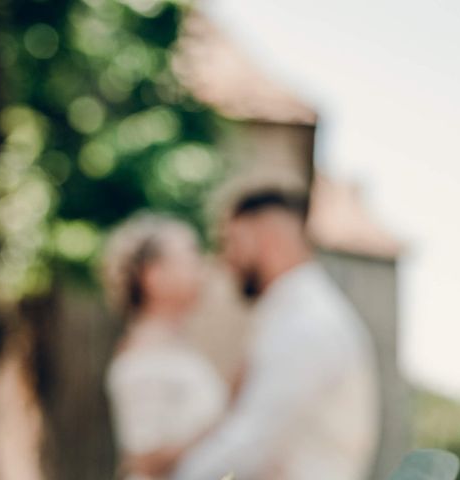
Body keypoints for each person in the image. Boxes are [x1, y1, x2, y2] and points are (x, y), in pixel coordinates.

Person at [172, 184, 380, 480]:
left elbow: (255, 437)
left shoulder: (307, 322)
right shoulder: (289, 315)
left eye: (232, 241)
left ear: (266, 239)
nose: (225, 258)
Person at [101, 212, 228, 480]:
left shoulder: (174, 347)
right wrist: (228, 422)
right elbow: (144, 461)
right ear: (153, 275)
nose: (202, 266)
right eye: (190, 256)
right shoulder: (144, 357)